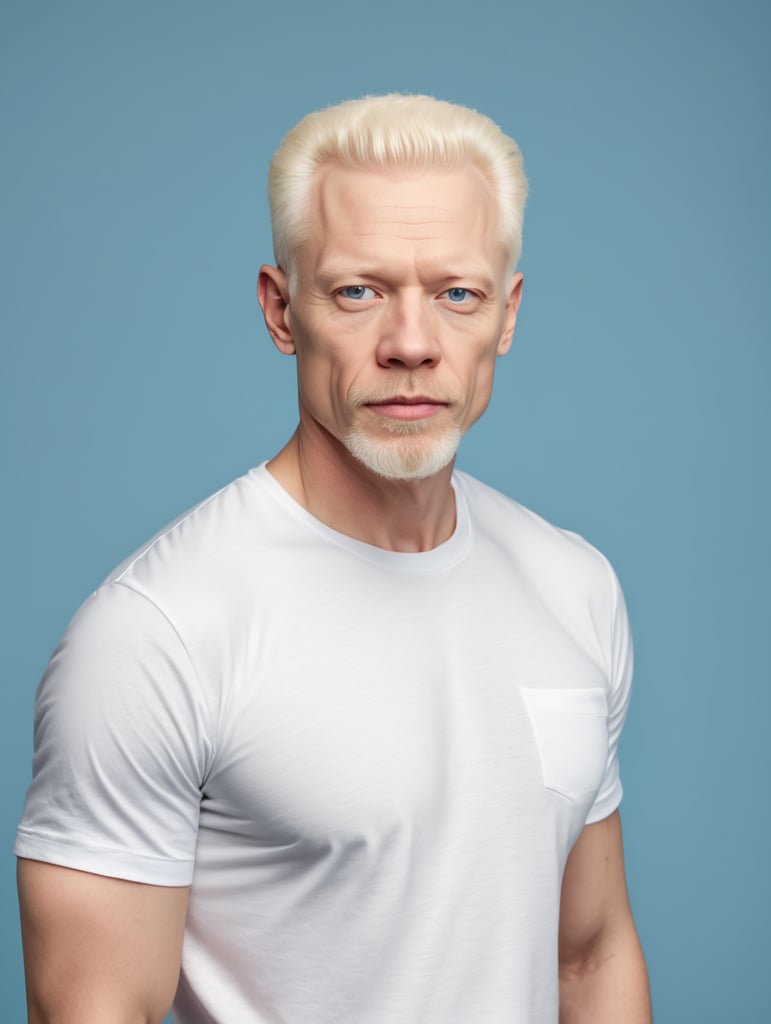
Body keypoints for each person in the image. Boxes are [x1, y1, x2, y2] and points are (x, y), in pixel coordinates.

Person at [15, 94, 651, 1023]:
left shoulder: (573, 586)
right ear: (282, 311)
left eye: (455, 294)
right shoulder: (156, 635)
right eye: (358, 290)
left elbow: (588, 958)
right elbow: (95, 1009)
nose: (410, 344)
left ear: (505, 317)